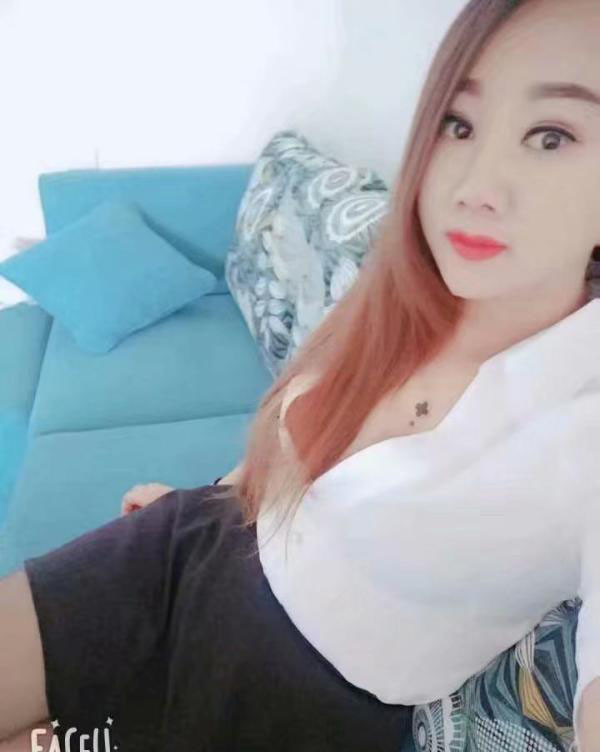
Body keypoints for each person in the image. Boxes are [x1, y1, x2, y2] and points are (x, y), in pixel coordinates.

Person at [2, 0, 600, 749]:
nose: (475, 185)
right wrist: (217, 493)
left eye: (552, 136)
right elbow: (298, 445)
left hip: (281, 707)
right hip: (183, 553)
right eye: (458, 124)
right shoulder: (399, 292)